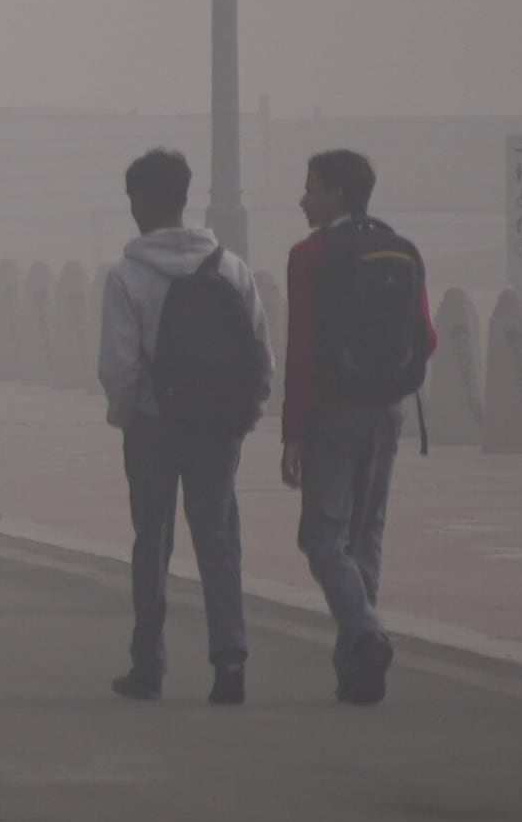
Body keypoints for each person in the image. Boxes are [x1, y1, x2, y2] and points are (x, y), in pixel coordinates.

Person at [95, 147, 268, 705]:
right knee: (217, 536)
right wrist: (245, 413)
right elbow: (259, 352)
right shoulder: (229, 266)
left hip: (152, 424)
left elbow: (119, 364)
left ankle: (148, 662)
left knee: (153, 540)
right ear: (185, 198)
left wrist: (124, 415)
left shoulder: (126, 275)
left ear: (140, 202)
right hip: (217, 426)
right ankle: (230, 659)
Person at [281, 147, 434, 706]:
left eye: (312, 188)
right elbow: (429, 339)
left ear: (338, 194)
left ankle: (365, 633)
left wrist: (291, 434)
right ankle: (359, 673)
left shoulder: (310, 255)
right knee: (364, 536)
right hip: (389, 411)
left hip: (332, 411)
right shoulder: (401, 248)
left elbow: (302, 350)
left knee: (320, 535)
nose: (303, 199)